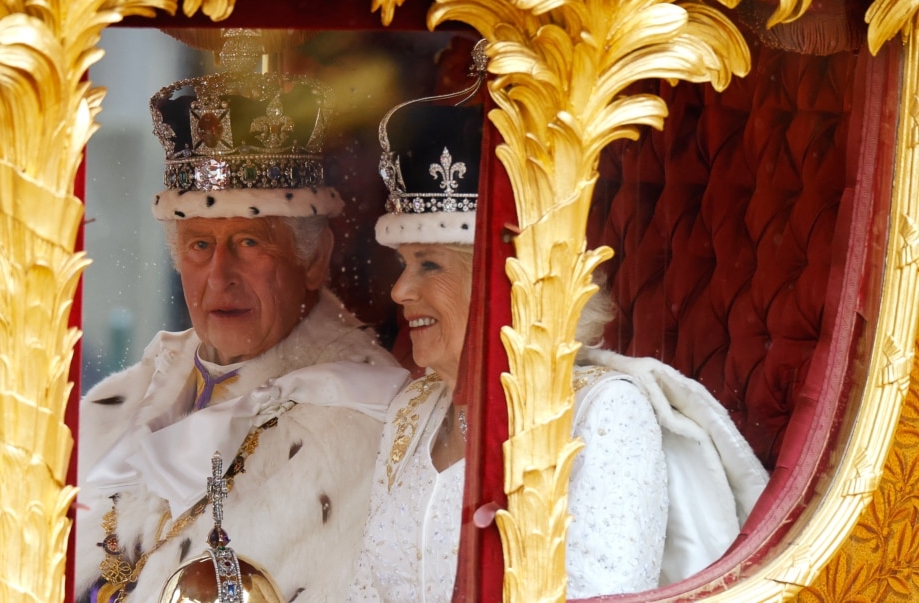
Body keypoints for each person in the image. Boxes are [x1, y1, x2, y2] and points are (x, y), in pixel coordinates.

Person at [349, 41, 768, 602]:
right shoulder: (412, 411)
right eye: (405, 264)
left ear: (504, 279)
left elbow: (605, 594)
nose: (401, 290)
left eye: (430, 265)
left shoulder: (605, 410)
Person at [74, 34, 407, 603]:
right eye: (199, 246)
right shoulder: (130, 395)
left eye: (249, 242)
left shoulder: (368, 422)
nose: (219, 276)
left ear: (314, 259)